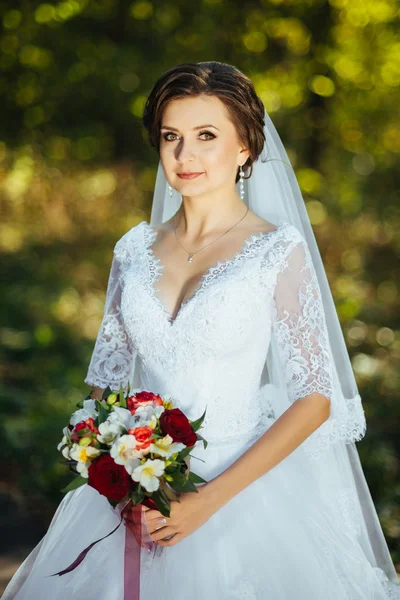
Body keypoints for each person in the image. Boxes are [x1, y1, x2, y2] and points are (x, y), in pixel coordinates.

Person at [3, 61, 399, 599]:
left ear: (245, 149)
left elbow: (315, 400)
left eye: (206, 136)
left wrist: (208, 500)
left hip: (243, 492)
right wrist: (116, 476)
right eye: (171, 137)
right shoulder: (133, 250)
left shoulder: (277, 251)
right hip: (134, 491)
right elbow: (104, 390)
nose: (185, 155)